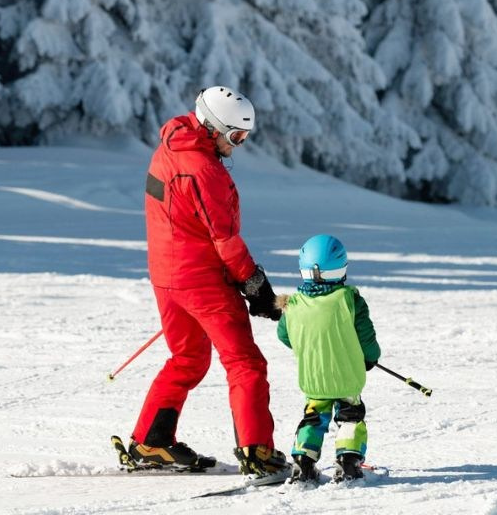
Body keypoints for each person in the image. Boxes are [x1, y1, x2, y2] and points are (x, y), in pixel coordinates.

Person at [127, 85, 288, 478]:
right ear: (214, 127)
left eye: (245, 136)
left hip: (167, 277)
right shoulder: (204, 170)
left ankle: (151, 441)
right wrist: (256, 287)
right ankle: (257, 451)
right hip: (201, 281)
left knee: (188, 359)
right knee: (245, 362)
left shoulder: (169, 146)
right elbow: (226, 241)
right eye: (236, 136)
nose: (240, 144)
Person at [275, 234, 380, 483]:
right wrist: (370, 358)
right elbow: (366, 338)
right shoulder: (349, 300)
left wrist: (310, 346)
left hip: (314, 378)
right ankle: (349, 462)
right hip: (347, 377)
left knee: (313, 417)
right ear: (341, 268)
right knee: (350, 417)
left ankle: (303, 461)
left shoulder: (293, 305)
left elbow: (285, 335)